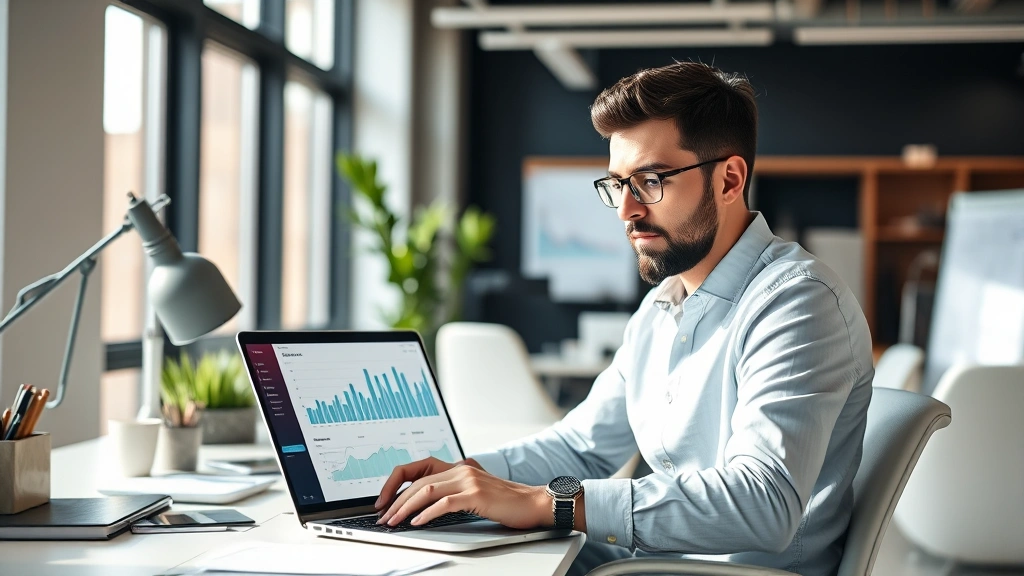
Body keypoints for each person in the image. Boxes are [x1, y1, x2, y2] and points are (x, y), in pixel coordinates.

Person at [375, 61, 873, 576]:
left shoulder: (796, 303)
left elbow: (762, 504)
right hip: (658, 561)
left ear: (729, 179)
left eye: (651, 181)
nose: (626, 210)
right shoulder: (662, 306)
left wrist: (552, 503)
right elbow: (583, 447)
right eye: (617, 185)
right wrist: (467, 477)